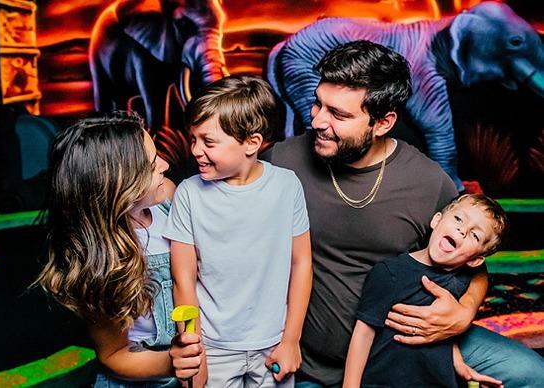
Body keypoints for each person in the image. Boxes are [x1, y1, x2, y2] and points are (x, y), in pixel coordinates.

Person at [262, 40, 544, 387]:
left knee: (532, 373)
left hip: (407, 344)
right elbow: (205, 189)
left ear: (383, 122)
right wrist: (170, 184)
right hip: (313, 362)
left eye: (338, 114)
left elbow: (474, 264)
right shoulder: (283, 161)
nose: (318, 121)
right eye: (317, 103)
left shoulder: (427, 181)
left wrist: (463, 311)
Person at [163, 75, 312, 387]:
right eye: (193, 139)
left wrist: (291, 340)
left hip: (273, 345)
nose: (196, 150)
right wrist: (195, 352)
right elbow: (183, 279)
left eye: (209, 141)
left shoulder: (287, 186)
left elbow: (301, 264)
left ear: (252, 143)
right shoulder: (188, 194)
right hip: (212, 348)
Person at [35, 111, 203, 387]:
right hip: (145, 376)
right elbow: (114, 354)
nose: (164, 164)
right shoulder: (102, 261)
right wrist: (171, 361)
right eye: (151, 165)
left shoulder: (169, 198)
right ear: (117, 186)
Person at [343, 194, 507, 388]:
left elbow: (445, 332)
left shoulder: (461, 282)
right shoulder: (389, 273)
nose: (462, 230)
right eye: (458, 218)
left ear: (475, 260)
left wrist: (460, 365)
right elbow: (363, 335)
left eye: (475, 235)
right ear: (437, 220)